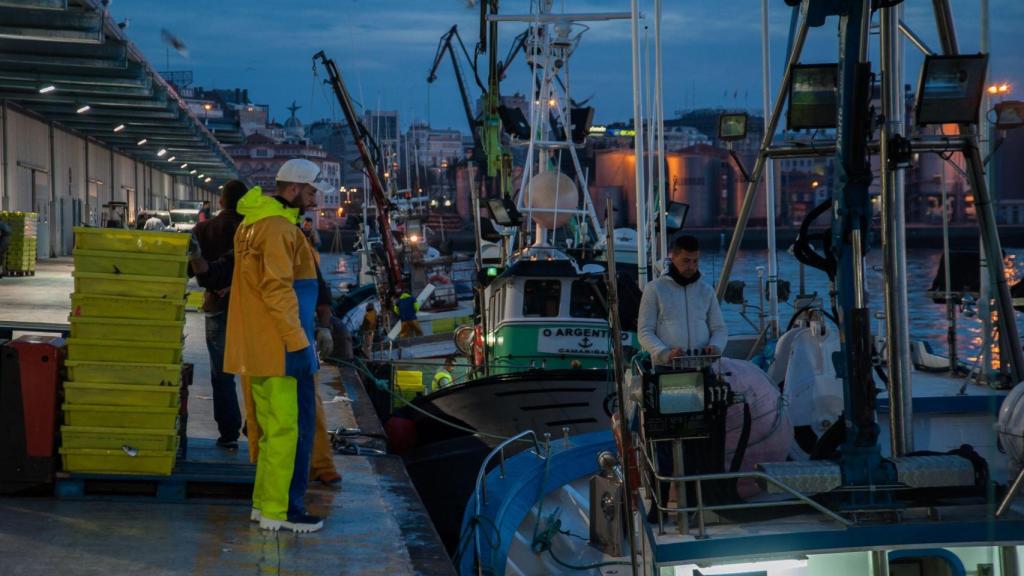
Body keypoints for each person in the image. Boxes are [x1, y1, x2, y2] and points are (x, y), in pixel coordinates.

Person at [223, 158, 326, 533]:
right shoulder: (281, 229)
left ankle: (264, 504)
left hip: (256, 348)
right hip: (283, 347)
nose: (316, 199)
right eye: (312, 191)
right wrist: (299, 342)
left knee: (269, 432)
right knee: (290, 431)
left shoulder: (251, 224)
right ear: (294, 189)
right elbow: (278, 289)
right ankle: (283, 511)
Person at [190, 180, 247, 449]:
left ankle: (228, 433)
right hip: (251, 309)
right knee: (257, 371)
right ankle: (256, 426)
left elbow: (189, 269)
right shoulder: (252, 229)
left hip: (216, 307)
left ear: (221, 202)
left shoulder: (203, 229)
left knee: (222, 375)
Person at [637, 235, 727, 366]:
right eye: (686, 261)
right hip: (667, 367)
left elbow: (719, 329)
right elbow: (644, 331)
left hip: (702, 366)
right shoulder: (654, 289)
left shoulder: (706, 291)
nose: (691, 266)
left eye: (695, 261)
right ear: (673, 258)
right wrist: (665, 353)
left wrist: (715, 346)